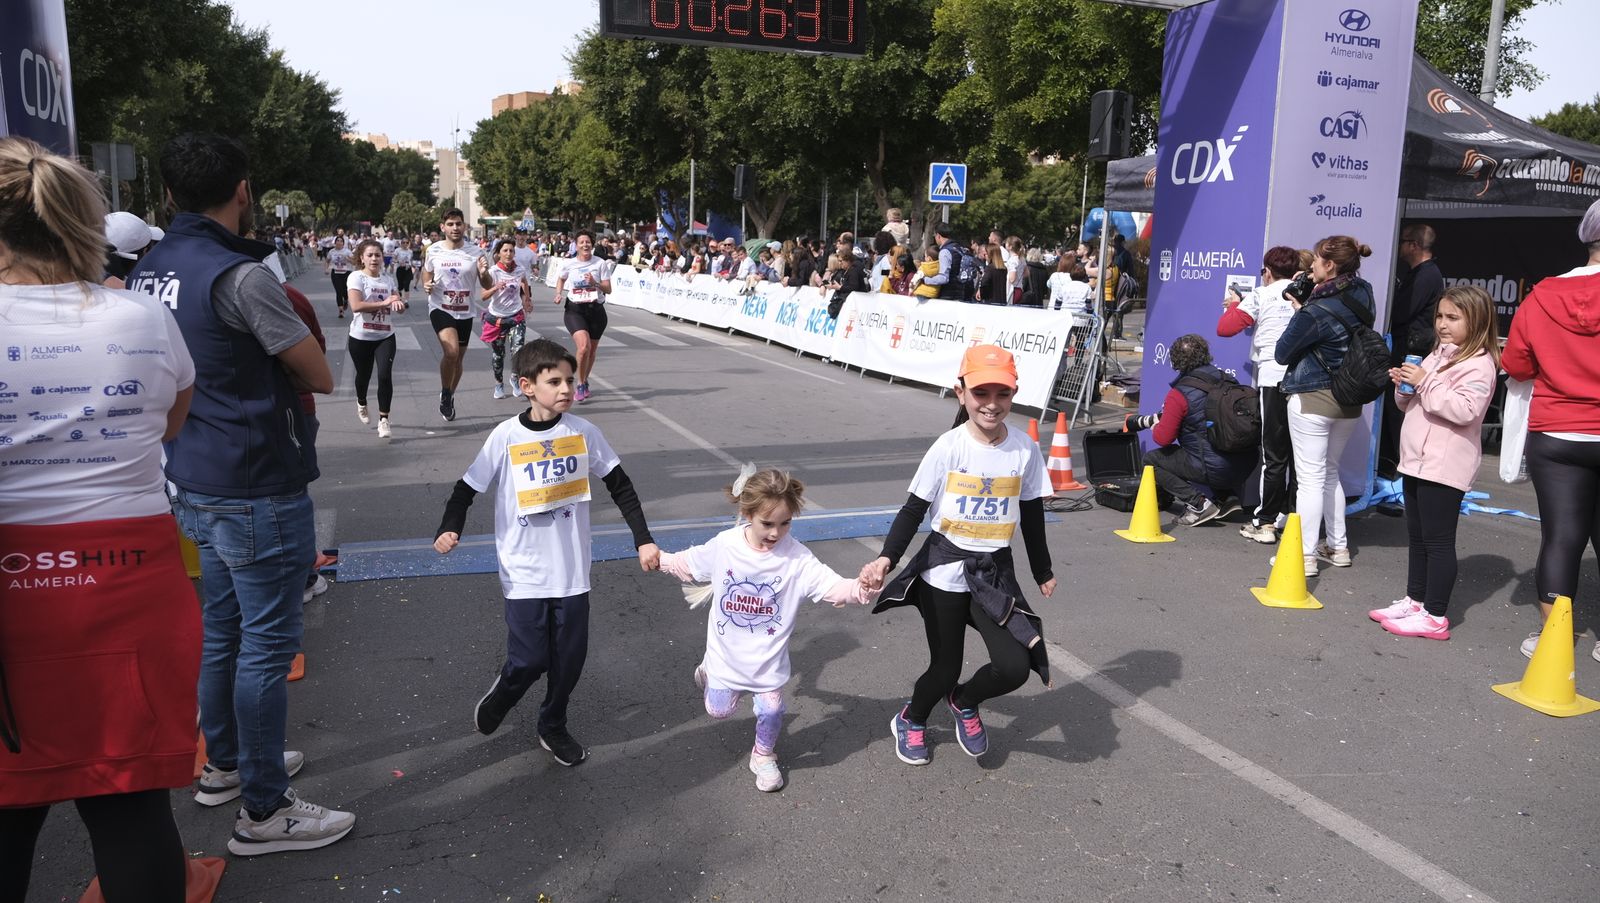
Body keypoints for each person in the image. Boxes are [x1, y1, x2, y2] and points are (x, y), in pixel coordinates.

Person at [127, 133, 352, 856]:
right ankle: (262, 807)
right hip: (253, 480)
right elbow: (319, 374)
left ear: (166, 195)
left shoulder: (150, 268)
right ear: (244, 191)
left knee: (223, 629)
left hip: (190, 473)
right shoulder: (240, 276)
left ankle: (227, 763)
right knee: (266, 646)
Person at [0, 136, 199, 902]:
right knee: (132, 808)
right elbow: (170, 424)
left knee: (10, 813)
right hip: (128, 584)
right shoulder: (140, 317)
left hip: (14, 598)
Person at [433, 339, 660, 766]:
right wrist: (450, 527)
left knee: (570, 659)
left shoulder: (583, 433)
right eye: (554, 381)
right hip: (523, 569)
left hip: (572, 568)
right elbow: (465, 490)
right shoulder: (506, 436)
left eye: (570, 381)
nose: (565, 389)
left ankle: (553, 724)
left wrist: (643, 539)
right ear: (527, 386)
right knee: (531, 658)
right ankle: (505, 692)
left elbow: (621, 486)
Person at [858, 345, 1057, 764]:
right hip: (945, 573)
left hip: (993, 575)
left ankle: (965, 701)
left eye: (1001, 394)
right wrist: (885, 559)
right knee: (944, 667)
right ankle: (911, 719)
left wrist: (1042, 569)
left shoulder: (1024, 449)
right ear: (960, 392)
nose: (992, 404)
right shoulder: (948, 447)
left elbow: (1032, 512)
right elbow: (913, 509)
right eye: (981, 393)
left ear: (1014, 394)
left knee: (1014, 666)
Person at [658, 468, 876, 792]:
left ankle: (763, 755)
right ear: (748, 515)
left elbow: (833, 586)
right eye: (768, 524)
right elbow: (686, 565)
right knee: (718, 710)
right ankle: (707, 672)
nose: (777, 533)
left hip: (767, 664)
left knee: (772, 708)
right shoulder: (726, 546)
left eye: (785, 523)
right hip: (725, 659)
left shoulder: (797, 558)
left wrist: (862, 588)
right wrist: (656, 557)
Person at [1368, 286, 1500, 640]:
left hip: (1445, 464)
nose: (1443, 324)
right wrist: (1404, 386)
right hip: (1416, 461)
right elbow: (1407, 405)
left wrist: (1425, 382)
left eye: (1453, 318)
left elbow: (1465, 410)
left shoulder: (1479, 363)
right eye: (1440, 316)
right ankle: (1415, 600)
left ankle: (1435, 614)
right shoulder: (1436, 355)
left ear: (1477, 321)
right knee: (1418, 537)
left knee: (1439, 542)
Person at [1501, 199, 1600, 663]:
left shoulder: (1541, 296)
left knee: (1561, 537)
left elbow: (1516, 363)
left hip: (1558, 432)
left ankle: (1554, 640)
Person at [1273, 235, 1376, 578]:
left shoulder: (1316, 310)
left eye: (1316, 260)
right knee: (1330, 472)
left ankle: (1302, 556)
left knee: (1311, 480)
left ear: (1329, 265)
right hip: (1349, 400)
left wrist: (1299, 312)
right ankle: (1338, 546)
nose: (1311, 266)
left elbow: (1282, 352)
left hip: (1312, 397)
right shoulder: (1364, 293)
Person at [1218, 247, 1303, 543]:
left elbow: (1225, 328)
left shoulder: (1260, 294)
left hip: (1273, 377)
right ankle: (1294, 520)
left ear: (1267, 271)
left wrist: (1234, 305)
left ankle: (1265, 523)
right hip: (1306, 379)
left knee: (1275, 454)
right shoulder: (1307, 292)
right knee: (1302, 458)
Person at [1125, 334, 1251, 525]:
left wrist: (1155, 425)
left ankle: (1198, 504)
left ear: (1176, 361)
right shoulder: (1228, 380)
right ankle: (1227, 498)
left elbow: (1163, 438)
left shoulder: (1180, 393)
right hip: (1245, 465)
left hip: (1215, 468)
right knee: (1204, 449)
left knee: (1152, 461)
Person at [1380, 224, 1446, 480]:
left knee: (1399, 409)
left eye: (1403, 241)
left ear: (1414, 246)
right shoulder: (1419, 273)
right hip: (1406, 347)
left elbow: (1401, 313)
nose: (1399, 247)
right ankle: (1392, 464)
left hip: (1411, 350)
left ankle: (1397, 466)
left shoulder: (1426, 276)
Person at [422, 207, 494, 421]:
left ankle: (450, 394)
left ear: (464, 226)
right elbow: (427, 271)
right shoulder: (433, 250)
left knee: (459, 359)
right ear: (442, 227)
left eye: (458, 223)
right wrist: (427, 284)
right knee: (451, 353)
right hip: (440, 307)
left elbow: (486, 285)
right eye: (450, 224)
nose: (455, 228)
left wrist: (484, 273)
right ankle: (445, 392)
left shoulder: (476, 252)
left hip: (465, 310)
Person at [346, 238, 405, 439]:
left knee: (384, 376)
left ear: (383, 257)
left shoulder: (388, 280)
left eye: (377, 255)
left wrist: (399, 304)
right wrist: (386, 302)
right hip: (360, 337)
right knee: (363, 375)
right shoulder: (356, 278)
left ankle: (384, 419)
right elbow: (355, 306)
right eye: (369, 255)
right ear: (362, 258)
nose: (374, 258)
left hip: (385, 336)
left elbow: (397, 301)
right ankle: (361, 401)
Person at [553, 230, 613, 404]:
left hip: (596, 310)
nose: (585, 245)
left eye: (588, 242)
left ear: (592, 244)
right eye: (582, 242)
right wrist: (558, 293)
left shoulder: (600, 263)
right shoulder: (569, 264)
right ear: (576, 245)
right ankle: (579, 384)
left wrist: (595, 283)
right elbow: (561, 279)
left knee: (592, 351)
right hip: (575, 310)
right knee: (583, 347)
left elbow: (608, 289)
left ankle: (584, 380)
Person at [483, 238, 532, 400]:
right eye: (505, 250)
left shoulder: (519, 270)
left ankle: (515, 378)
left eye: (511, 250)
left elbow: (524, 283)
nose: (509, 253)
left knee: (518, 350)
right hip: (497, 319)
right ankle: (499, 384)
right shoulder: (493, 272)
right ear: (498, 254)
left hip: (516, 315)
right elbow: (483, 296)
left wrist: (527, 300)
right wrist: (495, 287)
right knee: (498, 355)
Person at [323, 235, 354, 319]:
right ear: (335, 242)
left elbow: (354, 262)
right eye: (338, 241)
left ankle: (346, 299)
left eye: (341, 241)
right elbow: (327, 261)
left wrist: (348, 259)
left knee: (345, 290)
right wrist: (326, 269)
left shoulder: (347, 251)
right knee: (338, 291)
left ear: (343, 243)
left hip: (346, 273)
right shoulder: (331, 252)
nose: (339, 242)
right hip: (335, 272)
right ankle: (341, 310)